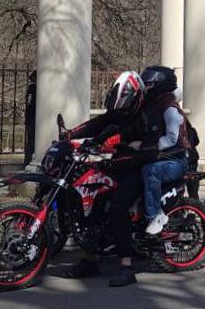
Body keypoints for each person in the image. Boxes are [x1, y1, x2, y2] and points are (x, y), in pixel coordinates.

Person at [65, 70, 160, 286]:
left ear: (136, 97)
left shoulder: (150, 114)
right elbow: (100, 122)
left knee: (118, 207)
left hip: (141, 167)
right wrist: (71, 134)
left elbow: (149, 150)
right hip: (121, 162)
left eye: (125, 107)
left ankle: (126, 266)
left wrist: (123, 153)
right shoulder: (120, 111)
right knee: (95, 202)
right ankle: (91, 259)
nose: (122, 112)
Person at [137, 66, 191, 237]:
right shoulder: (155, 106)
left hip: (176, 161)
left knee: (150, 171)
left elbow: (171, 139)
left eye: (148, 84)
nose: (145, 88)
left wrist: (145, 145)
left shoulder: (169, 108)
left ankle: (155, 215)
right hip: (163, 158)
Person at [23, 71, 36, 167]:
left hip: (30, 119)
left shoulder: (31, 90)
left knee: (31, 143)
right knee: (31, 143)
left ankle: (27, 161)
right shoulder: (33, 90)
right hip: (32, 120)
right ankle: (27, 162)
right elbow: (31, 105)